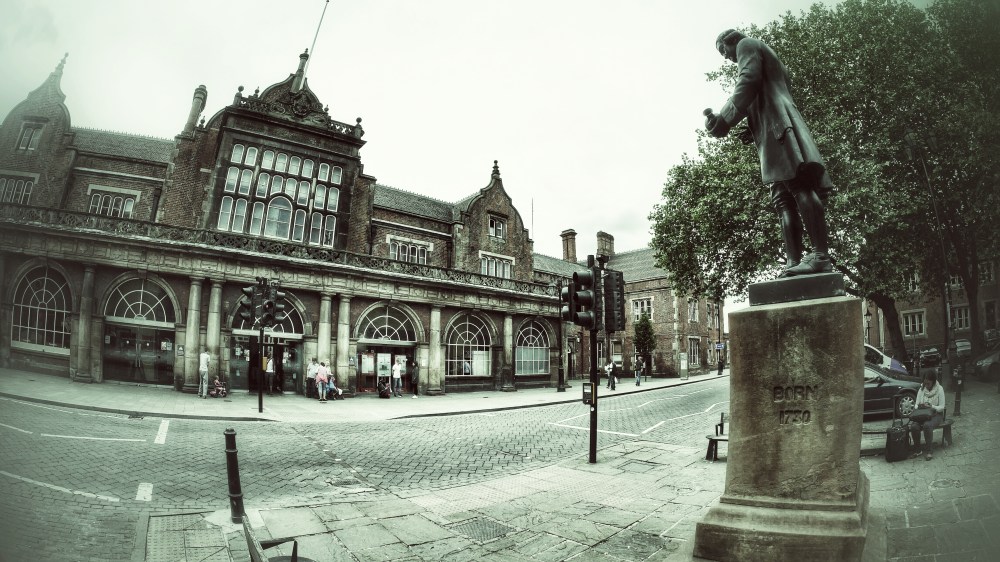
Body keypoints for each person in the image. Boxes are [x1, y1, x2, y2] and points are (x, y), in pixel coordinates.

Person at [706, 29, 834, 278]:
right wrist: (750, 126)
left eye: (723, 50)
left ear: (731, 41)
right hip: (771, 129)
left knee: (799, 186)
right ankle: (793, 263)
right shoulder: (765, 56)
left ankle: (820, 256)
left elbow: (749, 80)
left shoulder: (746, 44)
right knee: (782, 198)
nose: (725, 57)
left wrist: (725, 118)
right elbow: (762, 93)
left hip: (778, 127)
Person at [910, 371, 946, 460]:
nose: (926, 385)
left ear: (933, 381)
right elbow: (916, 403)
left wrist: (931, 406)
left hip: (936, 415)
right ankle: (918, 450)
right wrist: (918, 406)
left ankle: (929, 451)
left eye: (928, 383)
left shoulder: (939, 389)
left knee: (927, 425)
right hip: (923, 414)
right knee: (914, 426)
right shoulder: (922, 388)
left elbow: (942, 407)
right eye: (925, 383)